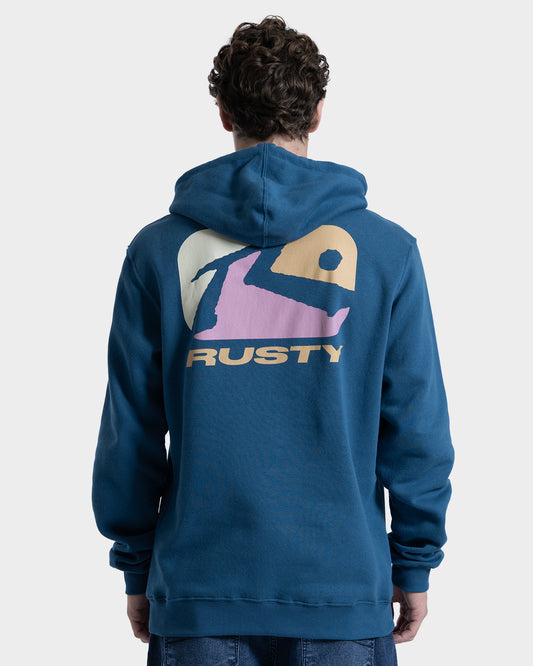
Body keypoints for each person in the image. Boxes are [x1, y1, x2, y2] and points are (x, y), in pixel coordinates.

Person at [92, 15, 454, 666]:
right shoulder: (387, 252)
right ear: (315, 114)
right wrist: (414, 563)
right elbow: (416, 430)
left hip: (199, 591)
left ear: (224, 113)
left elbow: (132, 431)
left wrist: (137, 565)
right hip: (341, 593)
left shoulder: (157, 252)